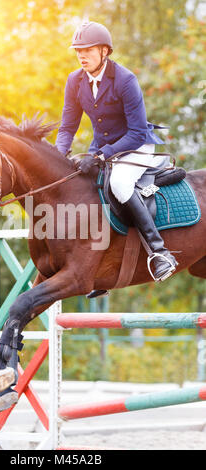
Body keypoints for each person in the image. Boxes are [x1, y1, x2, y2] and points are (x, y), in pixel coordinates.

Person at [56, 21, 177, 296]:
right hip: (103, 147)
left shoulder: (125, 80)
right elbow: (67, 127)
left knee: (120, 185)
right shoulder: (75, 81)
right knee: (83, 187)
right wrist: (59, 154)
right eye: (78, 51)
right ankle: (99, 266)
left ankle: (160, 252)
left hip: (136, 145)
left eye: (87, 50)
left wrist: (100, 155)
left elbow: (136, 132)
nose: (82, 55)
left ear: (104, 51)